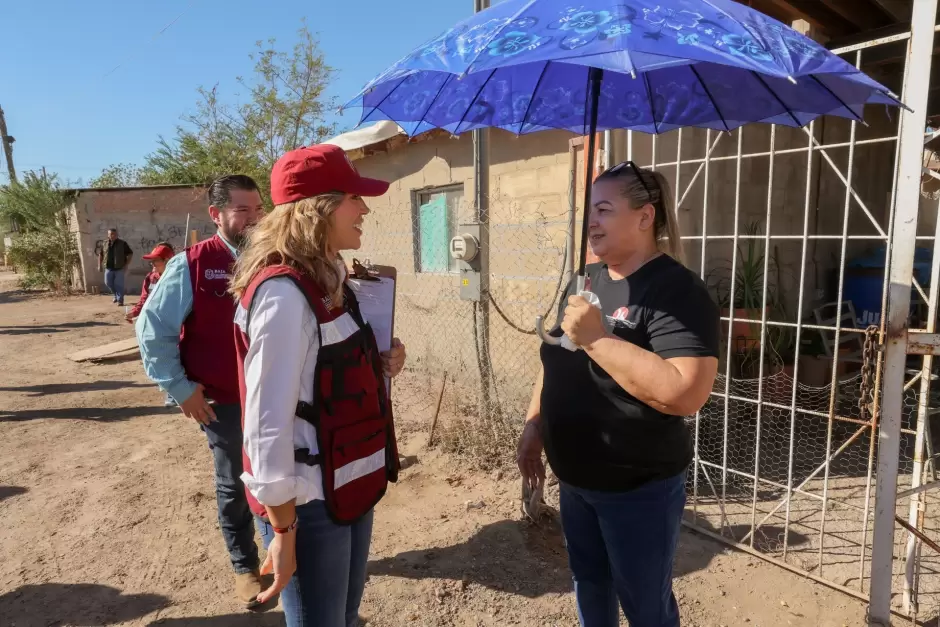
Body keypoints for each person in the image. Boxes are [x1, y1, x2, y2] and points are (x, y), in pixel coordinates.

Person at [517, 161, 719, 627]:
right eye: (590, 209)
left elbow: (685, 392)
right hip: (576, 479)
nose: (591, 221)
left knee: (645, 606)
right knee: (589, 583)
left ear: (645, 217)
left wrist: (598, 338)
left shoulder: (677, 290)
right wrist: (535, 425)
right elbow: (555, 359)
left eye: (604, 210)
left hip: (635, 488)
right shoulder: (587, 280)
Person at [230, 144, 407, 627]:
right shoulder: (284, 296)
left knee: (344, 618)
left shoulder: (332, 279)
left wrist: (382, 360)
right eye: (354, 198)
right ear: (318, 209)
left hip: (346, 483)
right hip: (307, 504)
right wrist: (283, 529)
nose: (365, 209)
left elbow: (327, 375)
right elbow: (266, 424)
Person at [135, 175, 266, 608]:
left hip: (272, 394)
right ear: (216, 215)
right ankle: (245, 567)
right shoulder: (191, 264)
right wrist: (179, 388)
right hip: (223, 400)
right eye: (242, 210)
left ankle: (279, 552)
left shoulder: (273, 258)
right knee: (234, 482)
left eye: (258, 209)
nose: (253, 218)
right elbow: (152, 330)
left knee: (279, 473)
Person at [126, 241, 176, 407]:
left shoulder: (178, 278)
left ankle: (174, 394)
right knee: (159, 359)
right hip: (154, 326)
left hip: (174, 325)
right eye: (151, 261)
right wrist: (134, 312)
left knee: (175, 358)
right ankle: (170, 391)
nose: (152, 265)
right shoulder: (150, 278)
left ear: (167, 261)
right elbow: (144, 300)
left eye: (156, 261)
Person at [97, 228, 133, 306]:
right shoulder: (104, 243)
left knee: (119, 284)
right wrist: (99, 265)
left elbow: (130, 253)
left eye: (114, 234)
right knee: (108, 283)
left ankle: (120, 300)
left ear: (117, 235)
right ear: (108, 235)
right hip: (108, 268)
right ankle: (116, 295)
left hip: (119, 268)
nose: (113, 235)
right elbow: (101, 254)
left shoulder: (122, 243)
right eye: (111, 234)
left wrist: (126, 264)